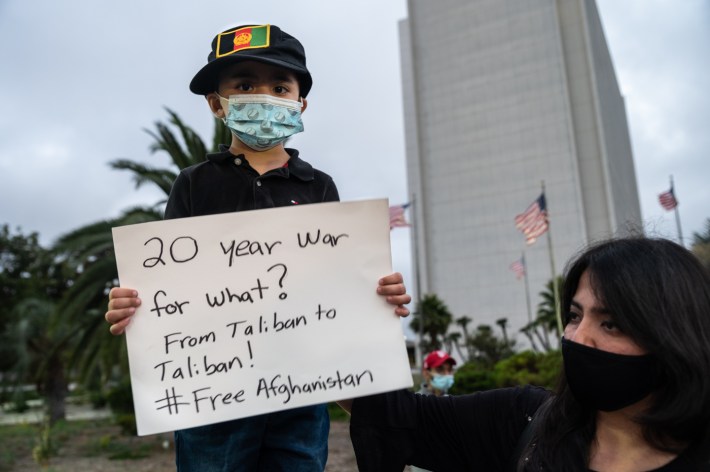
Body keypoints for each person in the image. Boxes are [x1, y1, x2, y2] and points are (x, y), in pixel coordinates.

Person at [104, 23, 411, 472]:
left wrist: (378, 295)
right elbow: (165, 284)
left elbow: (339, 282)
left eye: (280, 86)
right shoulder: (193, 184)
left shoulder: (320, 186)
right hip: (212, 399)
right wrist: (133, 303)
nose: (264, 96)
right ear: (216, 103)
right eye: (245, 84)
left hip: (302, 391)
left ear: (299, 103)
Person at [342, 237, 710, 471]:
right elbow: (395, 415)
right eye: (574, 316)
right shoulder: (523, 421)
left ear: (674, 337)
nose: (578, 338)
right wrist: (328, 317)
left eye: (610, 324)